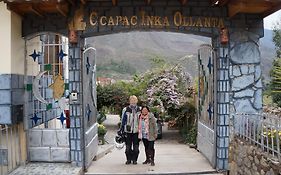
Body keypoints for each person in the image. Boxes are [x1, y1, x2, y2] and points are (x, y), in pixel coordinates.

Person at [119, 95, 141, 165]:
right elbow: (123, 120)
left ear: (137, 101)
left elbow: (142, 120)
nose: (133, 102)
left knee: (136, 148)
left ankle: (135, 159)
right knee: (127, 148)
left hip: (136, 131)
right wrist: (121, 129)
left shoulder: (139, 109)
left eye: (134, 100)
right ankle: (128, 159)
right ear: (129, 101)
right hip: (128, 131)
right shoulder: (125, 109)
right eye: (132, 100)